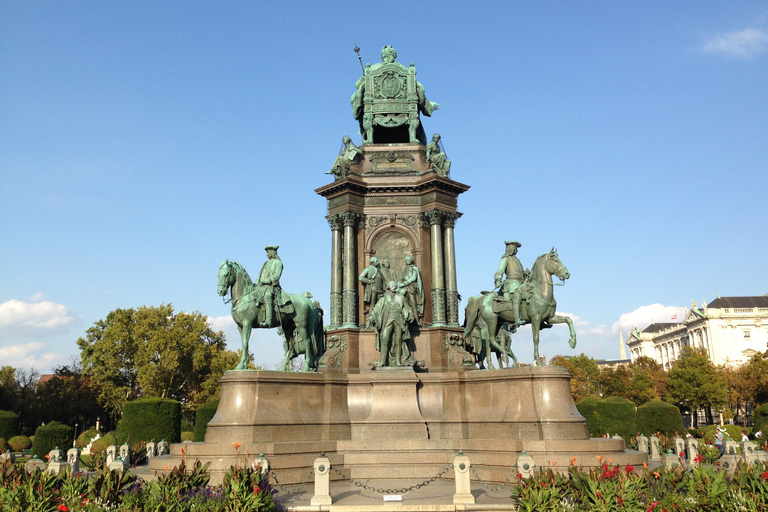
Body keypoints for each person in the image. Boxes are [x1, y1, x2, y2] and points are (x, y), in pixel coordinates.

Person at [366, 281, 415, 367]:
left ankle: (398, 361)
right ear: (389, 287)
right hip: (387, 320)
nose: (394, 287)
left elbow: (406, 308)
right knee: (384, 338)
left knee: (398, 340)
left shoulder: (401, 297)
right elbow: (376, 309)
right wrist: (371, 318)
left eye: (395, 286)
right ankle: (383, 361)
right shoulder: (384, 298)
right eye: (392, 286)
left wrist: (408, 315)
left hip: (399, 320)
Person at [494, 241, 525, 328]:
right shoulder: (505, 259)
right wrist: (498, 279)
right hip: (512, 284)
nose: (517, 251)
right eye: (516, 248)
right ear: (511, 249)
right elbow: (500, 270)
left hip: (521, 283)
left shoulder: (516, 260)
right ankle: (517, 318)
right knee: (517, 294)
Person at [258, 245, 284, 327]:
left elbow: (276, 277)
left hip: (272, 287)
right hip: (262, 286)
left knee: (267, 296)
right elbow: (261, 276)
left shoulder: (278, 263)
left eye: (268, 252)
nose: (267, 254)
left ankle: (268, 321)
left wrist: (265, 281)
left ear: (272, 253)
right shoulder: (265, 263)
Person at [400, 255, 424, 322]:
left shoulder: (414, 268)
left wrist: (405, 283)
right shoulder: (403, 269)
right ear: (405, 261)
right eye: (406, 259)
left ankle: (416, 320)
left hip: (411, 288)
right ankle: (405, 319)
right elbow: (400, 279)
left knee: (413, 304)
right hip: (404, 289)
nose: (408, 261)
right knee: (404, 304)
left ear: (411, 260)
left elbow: (413, 278)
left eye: (409, 259)